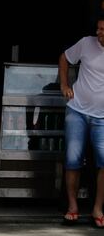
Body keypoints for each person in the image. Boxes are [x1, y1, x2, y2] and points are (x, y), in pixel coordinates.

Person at [58, 15, 104, 228]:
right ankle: (73, 207)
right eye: (99, 28)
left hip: (102, 117)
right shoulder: (86, 43)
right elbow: (64, 58)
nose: (100, 33)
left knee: (103, 163)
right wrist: (64, 85)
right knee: (72, 160)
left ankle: (97, 209)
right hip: (76, 111)